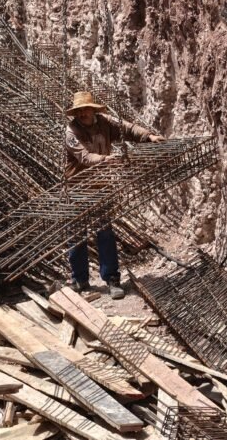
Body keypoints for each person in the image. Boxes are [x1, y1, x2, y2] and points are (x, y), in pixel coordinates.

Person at [65, 91, 165, 299]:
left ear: (93, 110)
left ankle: (111, 279)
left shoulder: (105, 122)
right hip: (77, 188)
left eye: (86, 109)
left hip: (101, 186)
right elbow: (84, 157)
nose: (83, 113)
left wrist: (148, 136)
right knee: (76, 235)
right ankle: (80, 279)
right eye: (79, 111)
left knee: (105, 232)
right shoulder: (71, 130)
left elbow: (127, 128)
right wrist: (105, 160)